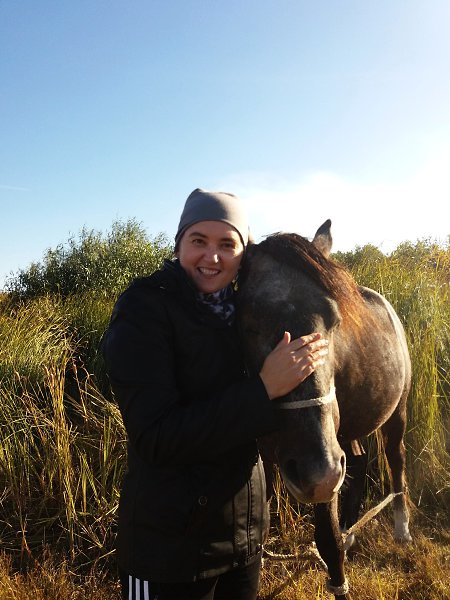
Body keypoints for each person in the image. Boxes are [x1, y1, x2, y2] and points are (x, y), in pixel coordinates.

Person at [102, 188, 328, 600]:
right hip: (167, 552)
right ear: (179, 245)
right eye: (199, 241)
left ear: (243, 254)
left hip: (243, 542)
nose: (213, 256)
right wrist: (263, 390)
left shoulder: (248, 311)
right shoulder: (143, 310)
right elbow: (156, 437)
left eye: (227, 244)